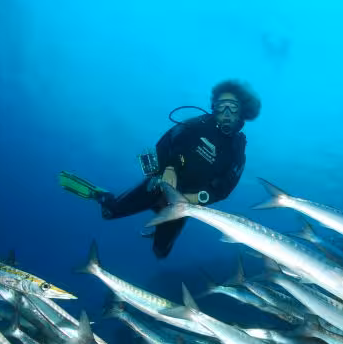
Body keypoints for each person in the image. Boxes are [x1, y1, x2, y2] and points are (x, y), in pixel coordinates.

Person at [60, 79, 260, 259]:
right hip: (159, 184)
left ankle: (160, 220)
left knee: (160, 252)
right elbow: (166, 142)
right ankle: (100, 195)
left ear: (241, 112)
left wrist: (196, 198)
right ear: (213, 107)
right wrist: (169, 168)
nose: (226, 112)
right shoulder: (197, 125)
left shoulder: (237, 151)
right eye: (221, 105)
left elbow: (224, 188)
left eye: (233, 107)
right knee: (109, 213)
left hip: (185, 203)